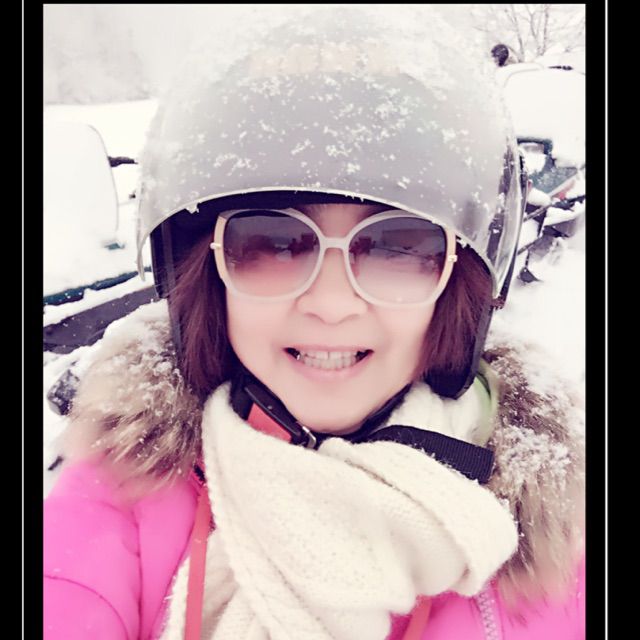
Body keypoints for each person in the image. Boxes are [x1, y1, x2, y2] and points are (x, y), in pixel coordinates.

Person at [43, 7, 585, 640]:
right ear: (206, 278)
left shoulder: (555, 562)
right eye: (271, 243)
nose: (331, 304)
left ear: (457, 285)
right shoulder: (114, 508)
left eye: (398, 246)